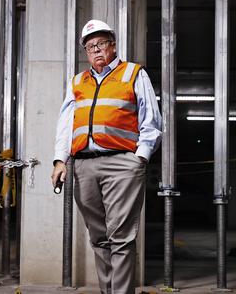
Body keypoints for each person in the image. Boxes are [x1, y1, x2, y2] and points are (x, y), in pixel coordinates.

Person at [51, 19, 162, 293]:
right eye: (90, 47)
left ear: (113, 45)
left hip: (123, 163)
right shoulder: (78, 81)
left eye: (101, 43)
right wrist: (59, 160)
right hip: (84, 166)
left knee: (121, 237)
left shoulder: (133, 73)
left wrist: (140, 157)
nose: (96, 50)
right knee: (99, 237)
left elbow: (152, 120)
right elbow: (67, 123)